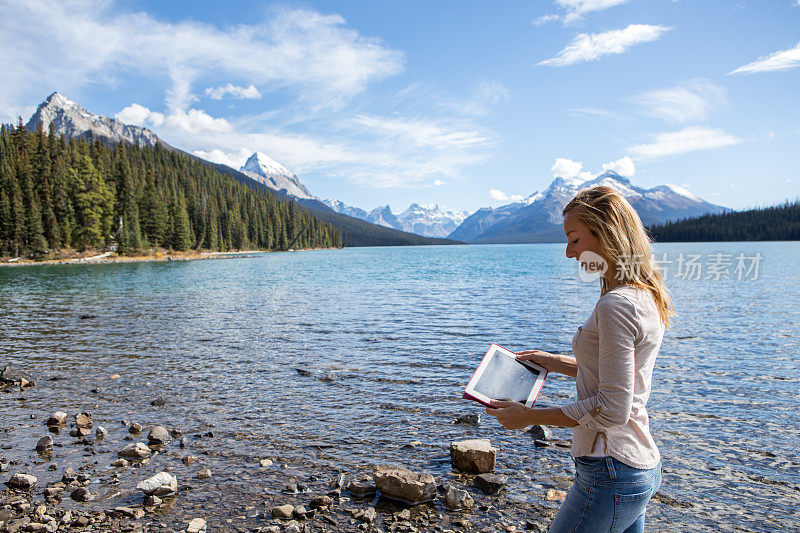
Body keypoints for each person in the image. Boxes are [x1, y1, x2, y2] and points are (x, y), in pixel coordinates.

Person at [485, 186, 672, 533]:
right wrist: (555, 362)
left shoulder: (616, 304)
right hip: (637, 465)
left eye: (574, 239)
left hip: (611, 471)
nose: (569, 253)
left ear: (606, 234)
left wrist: (528, 417)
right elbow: (616, 378)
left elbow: (613, 407)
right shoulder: (643, 295)